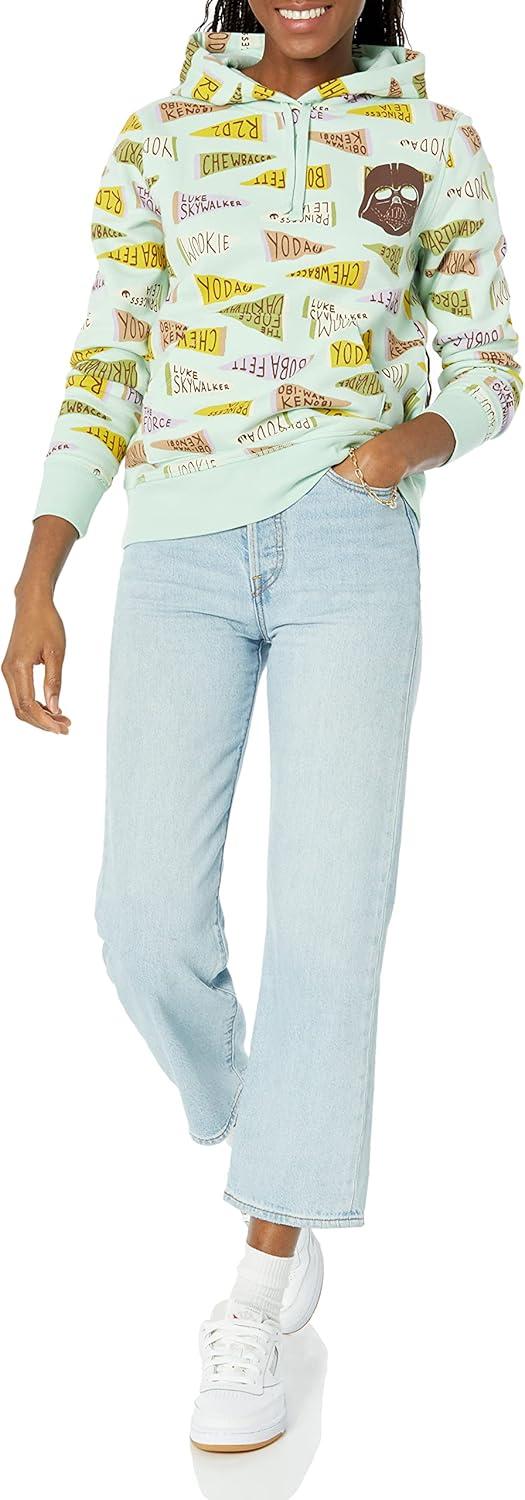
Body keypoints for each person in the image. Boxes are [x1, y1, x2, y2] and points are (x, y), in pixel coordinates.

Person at [3, 0, 520, 1456]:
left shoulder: (433, 139)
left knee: (326, 925)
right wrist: (40, 569)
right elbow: (106, 358)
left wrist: (409, 443)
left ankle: (262, 1278)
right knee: (142, 917)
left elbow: (491, 358)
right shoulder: (161, 137)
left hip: (350, 547)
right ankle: (270, 1103)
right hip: (175, 549)